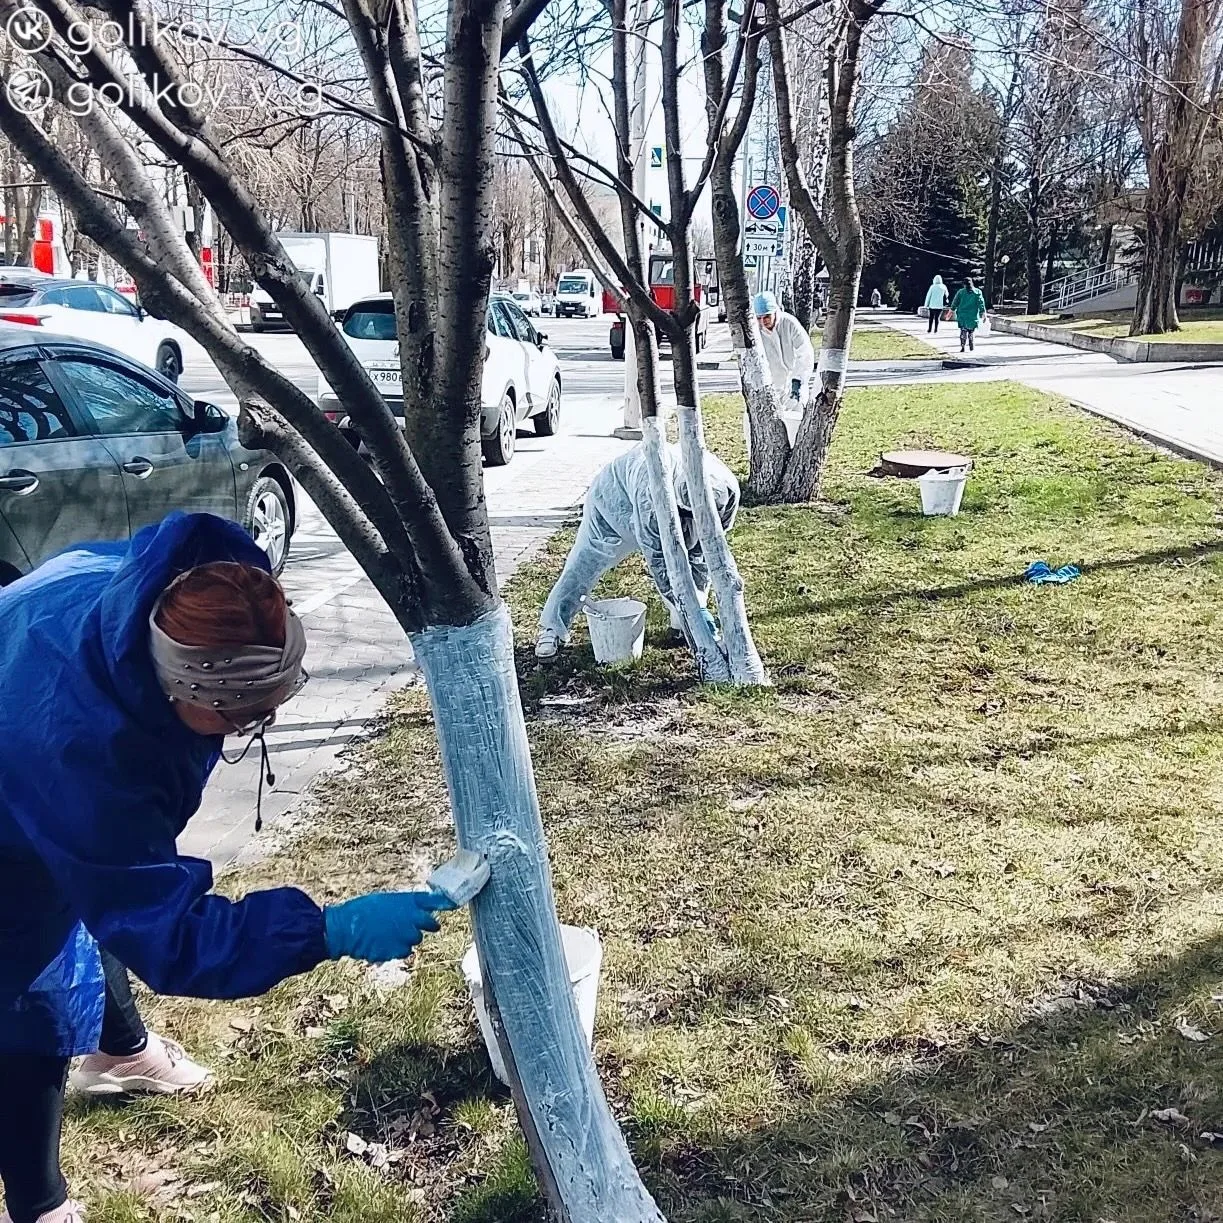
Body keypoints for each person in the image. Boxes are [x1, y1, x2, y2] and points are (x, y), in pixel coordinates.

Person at [0, 512, 455, 1223]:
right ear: (186, 693)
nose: (259, 724)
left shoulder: (164, 593)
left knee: (100, 894)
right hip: (20, 762)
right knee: (27, 988)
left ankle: (119, 1051)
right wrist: (326, 929)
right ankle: (38, 1201)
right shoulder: (85, 756)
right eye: (243, 714)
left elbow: (125, 877)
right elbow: (167, 934)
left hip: (27, 699)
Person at [535, 443, 739, 659]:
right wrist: (695, 613)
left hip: (665, 506)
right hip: (613, 504)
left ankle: (685, 625)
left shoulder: (728, 490)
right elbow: (661, 564)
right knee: (583, 564)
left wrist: (698, 609)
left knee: (696, 562)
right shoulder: (653, 494)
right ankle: (552, 629)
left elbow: (709, 553)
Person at [753, 291, 815, 402]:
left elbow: (805, 353)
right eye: (759, 318)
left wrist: (798, 381)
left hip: (793, 386)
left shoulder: (789, 323)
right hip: (768, 388)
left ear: (775, 311)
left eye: (767, 316)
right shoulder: (755, 331)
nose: (763, 321)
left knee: (796, 416)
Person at [951, 277, 987, 353]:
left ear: (964, 284)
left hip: (962, 314)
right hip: (973, 315)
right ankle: (971, 342)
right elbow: (981, 303)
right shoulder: (977, 292)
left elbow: (955, 302)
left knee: (963, 330)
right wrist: (983, 313)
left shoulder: (960, 292)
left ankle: (963, 345)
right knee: (971, 330)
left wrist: (951, 310)